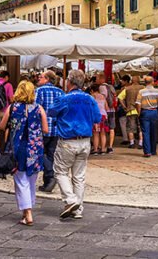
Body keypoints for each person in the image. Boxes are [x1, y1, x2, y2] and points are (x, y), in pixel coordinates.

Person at [48, 69, 101, 220]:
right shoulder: (90, 99)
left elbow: (51, 112)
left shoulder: (65, 99)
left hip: (68, 141)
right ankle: (78, 209)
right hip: (85, 141)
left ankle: (71, 201)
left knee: (61, 172)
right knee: (79, 176)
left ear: (69, 81)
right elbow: (97, 118)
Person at [0, 80, 48, 226]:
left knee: (21, 181)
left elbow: (2, 125)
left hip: (18, 147)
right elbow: (45, 129)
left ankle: (28, 212)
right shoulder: (39, 108)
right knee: (31, 181)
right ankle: (26, 211)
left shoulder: (13, 107)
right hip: (35, 148)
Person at [34, 70, 64, 193]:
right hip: (56, 129)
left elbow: (35, 109)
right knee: (51, 155)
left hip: (43, 128)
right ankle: (48, 182)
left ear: (46, 78)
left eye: (40, 77)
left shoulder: (39, 91)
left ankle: (50, 176)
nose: (38, 79)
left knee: (39, 152)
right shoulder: (61, 92)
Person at [138, 76, 158, 157]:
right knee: (154, 132)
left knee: (146, 132)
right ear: (152, 82)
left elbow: (138, 103)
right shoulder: (157, 91)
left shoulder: (141, 92)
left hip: (145, 112)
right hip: (154, 111)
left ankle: (147, 151)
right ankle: (153, 150)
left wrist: (139, 113)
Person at [96, 73, 118, 154]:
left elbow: (103, 98)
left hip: (105, 111)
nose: (96, 80)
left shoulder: (101, 87)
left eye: (97, 78)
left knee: (102, 129)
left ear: (101, 79)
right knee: (112, 128)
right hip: (112, 110)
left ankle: (101, 147)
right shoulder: (111, 86)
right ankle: (110, 147)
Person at [118, 75, 141, 149]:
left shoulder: (127, 89)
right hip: (141, 110)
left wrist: (124, 106)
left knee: (130, 128)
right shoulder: (143, 88)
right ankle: (141, 143)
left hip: (130, 111)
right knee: (141, 128)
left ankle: (132, 143)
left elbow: (120, 98)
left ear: (132, 81)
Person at [88, 81, 108, 155]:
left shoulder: (92, 96)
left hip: (96, 116)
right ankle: (103, 149)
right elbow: (106, 107)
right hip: (104, 115)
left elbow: (90, 107)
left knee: (95, 133)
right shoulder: (103, 96)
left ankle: (95, 150)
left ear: (92, 90)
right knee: (103, 133)